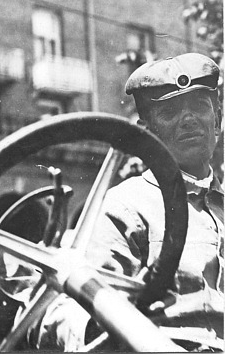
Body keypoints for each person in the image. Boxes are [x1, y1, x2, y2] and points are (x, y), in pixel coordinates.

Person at [33, 53, 223, 351]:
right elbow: (83, 307)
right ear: (147, 132)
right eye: (170, 111)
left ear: (217, 120)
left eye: (199, 106)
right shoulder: (127, 206)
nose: (188, 119)